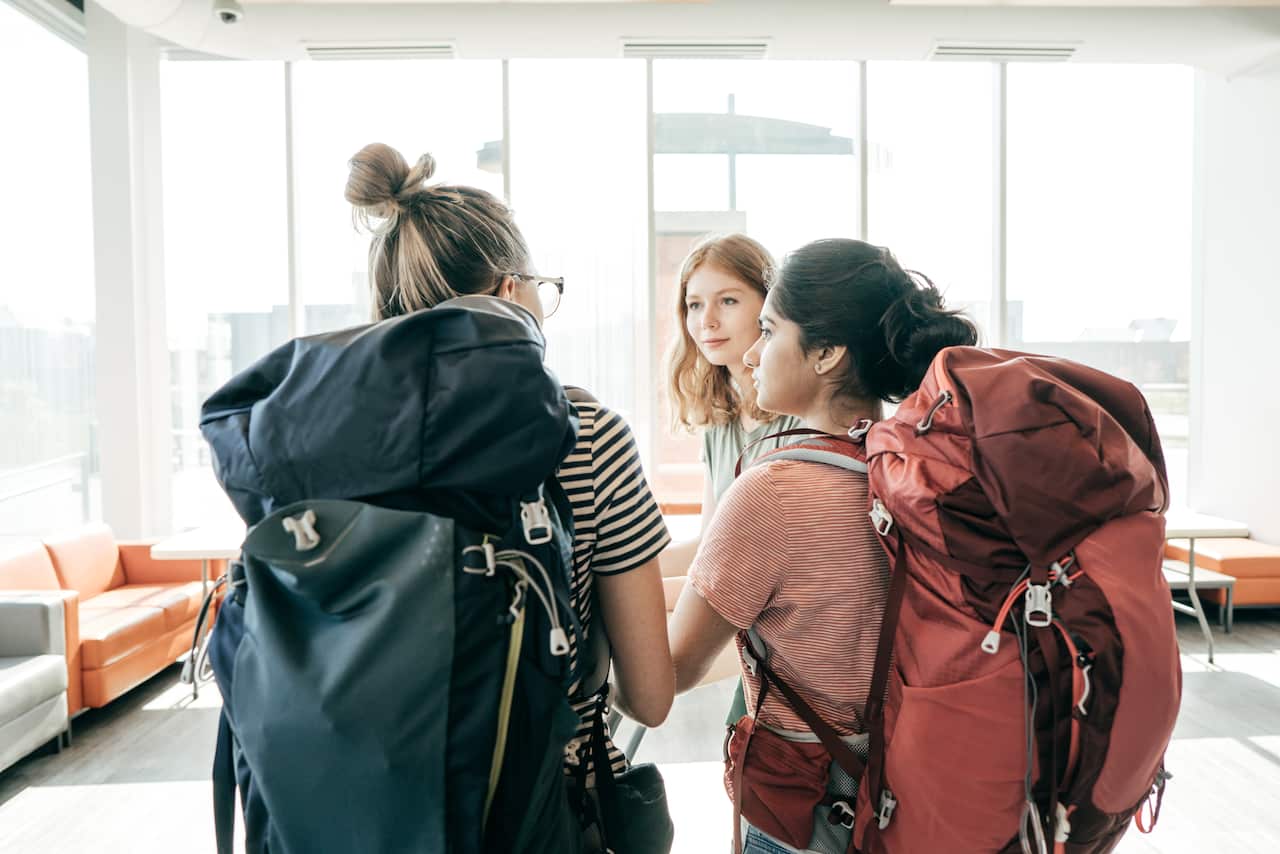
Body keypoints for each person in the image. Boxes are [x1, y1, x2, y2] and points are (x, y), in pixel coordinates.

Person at [344, 142, 675, 774]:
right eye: (542, 289)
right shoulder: (587, 433)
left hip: (369, 805)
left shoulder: (336, 437)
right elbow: (650, 697)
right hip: (539, 807)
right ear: (509, 290)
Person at [668, 238, 978, 854]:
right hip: (908, 789)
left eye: (768, 330)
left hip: (802, 805)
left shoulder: (773, 491)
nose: (753, 354)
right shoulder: (910, 471)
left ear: (828, 353)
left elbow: (673, 671)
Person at [658, 234, 803, 715]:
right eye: (694, 305)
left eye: (728, 301)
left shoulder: (800, 419)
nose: (707, 321)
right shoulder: (720, 423)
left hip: (782, 622)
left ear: (768, 308)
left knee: (629, 646)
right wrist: (606, 570)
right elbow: (709, 547)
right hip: (737, 606)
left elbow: (749, 577)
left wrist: (628, 593)